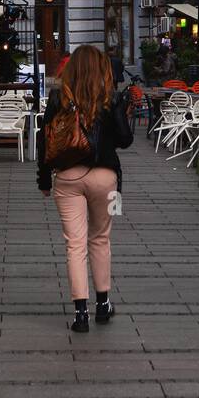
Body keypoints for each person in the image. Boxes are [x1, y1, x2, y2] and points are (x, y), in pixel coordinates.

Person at [36, 45, 133, 333]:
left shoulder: (58, 98)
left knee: (74, 244)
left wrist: (43, 180)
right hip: (104, 177)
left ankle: (81, 314)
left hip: (67, 177)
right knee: (100, 239)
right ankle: (103, 305)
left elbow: (46, 140)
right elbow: (125, 140)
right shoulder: (111, 99)